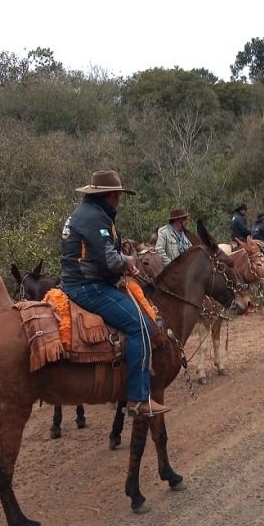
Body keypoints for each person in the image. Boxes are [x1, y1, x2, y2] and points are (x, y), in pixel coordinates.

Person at [61, 170, 169, 417]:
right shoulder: (95, 218)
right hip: (88, 286)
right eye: (117, 195)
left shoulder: (87, 213)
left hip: (79, 280)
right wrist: (128, 260)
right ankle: (138, 398)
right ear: (108, 196)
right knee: (139, 325)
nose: (119, 199)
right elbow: (110, 260)